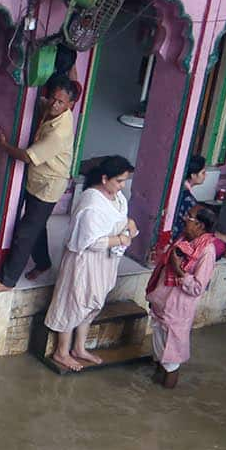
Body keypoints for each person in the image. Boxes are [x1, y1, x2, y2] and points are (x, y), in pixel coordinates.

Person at [43, 156, 137, 372]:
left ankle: (79, 348)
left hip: (106, 261)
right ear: (105, 179)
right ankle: (62, 351)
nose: (122, 186)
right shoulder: (91, 203)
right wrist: (120, 239)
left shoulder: (117, 197)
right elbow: (90, 241)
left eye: (124, 181)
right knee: (75, 301)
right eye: (119, 181)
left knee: (94, 303)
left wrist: (128, 225)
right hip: (85, 261)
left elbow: (120, 219)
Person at [0, 74, 80, 289]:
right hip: (37, 179)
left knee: (25, 233)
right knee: (37, 225)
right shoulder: (51, 109)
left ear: (70, 105)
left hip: (48, 185)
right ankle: (44, 262)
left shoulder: (60, 131)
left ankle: (7, 281)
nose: (54, 105)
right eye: (53, 99)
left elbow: (28, 156)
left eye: (60, 102)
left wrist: (4, 145)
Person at [143, 204, 218, 390]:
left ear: (200, 226)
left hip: (176, 312)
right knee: (161, 356)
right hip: (162, 304)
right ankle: (154, 390)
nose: (185, 218)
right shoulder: (184, 239)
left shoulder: (207, 251)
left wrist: (178, 271)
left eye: (190, 217)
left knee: (171, 362)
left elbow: (198, 288)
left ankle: (164, 399)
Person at [171, 153, 210, 233]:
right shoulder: (188, 199)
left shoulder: (179, 187)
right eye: (203, 173)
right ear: (193, 175)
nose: (206, 175)